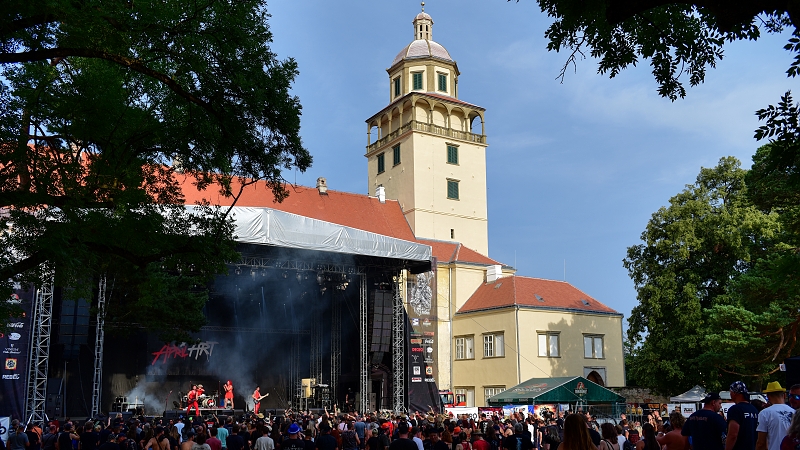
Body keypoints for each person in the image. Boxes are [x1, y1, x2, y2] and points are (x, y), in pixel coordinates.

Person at [757, 381, 795, 450]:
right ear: (784, 395)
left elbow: (761, 442)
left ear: (768, 396)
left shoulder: (765, 413)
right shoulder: (794, 412)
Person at [726, 381, 759, 450]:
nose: (730, 394)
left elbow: (733, 434)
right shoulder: (754, 410)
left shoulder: (735, 410)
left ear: (735, 393)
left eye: (730, 392)